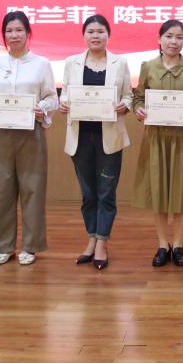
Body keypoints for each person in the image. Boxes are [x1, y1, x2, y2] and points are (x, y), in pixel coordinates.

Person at [0, 11, 58, 266]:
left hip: (31, 133)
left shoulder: (41, 64)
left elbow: (52, 97)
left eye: (18, 30)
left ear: (28, 33)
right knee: (0, 189)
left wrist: (41, 108)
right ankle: (3, 246)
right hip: (0, 134)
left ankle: (30, 246)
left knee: (32, 189)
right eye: (9, 31)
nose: (13, 35)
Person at [132, 20, 183, 267]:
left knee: (182, 190)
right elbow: (138, 97)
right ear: (159, 39)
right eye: (168, 36)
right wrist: (139, 109)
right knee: (158, 190)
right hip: (156, 138)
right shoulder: (148, 67)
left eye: (179, 37)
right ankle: (162, 244)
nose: (173, 42)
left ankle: (178, 244)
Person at [58, 15, 133, 271]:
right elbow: (66, 93)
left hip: (108, 137)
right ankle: (91, 238)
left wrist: (125, 105)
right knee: (88, 194)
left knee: (106, 193)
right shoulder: (72, 62)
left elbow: (128, 95)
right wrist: (64, 103)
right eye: (91, 31)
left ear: (108, 35)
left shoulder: (120, 62)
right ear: (84, 35)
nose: (96, 36)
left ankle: (102, 242)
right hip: (80, 138)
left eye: (101, 31)